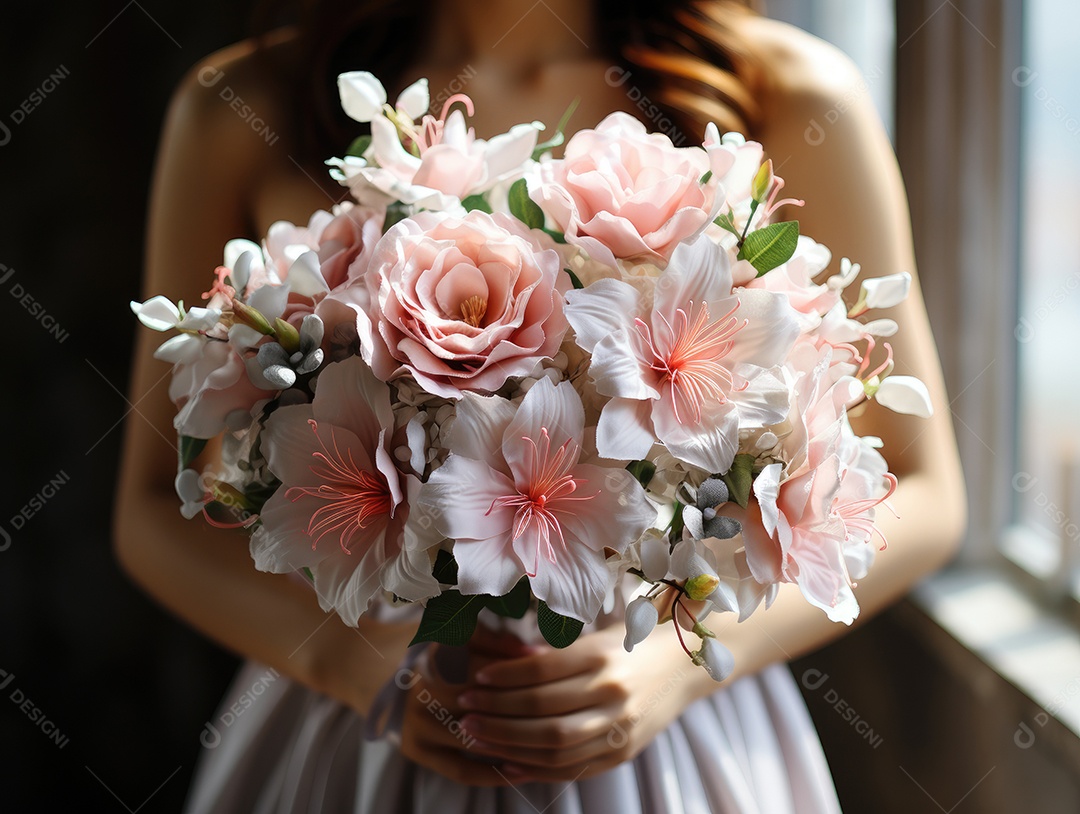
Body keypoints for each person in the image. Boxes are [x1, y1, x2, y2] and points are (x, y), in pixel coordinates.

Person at [114, 0, 967, 810]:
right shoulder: (239, 106)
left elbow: (926, 493)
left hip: (663, 715)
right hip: (362, 719)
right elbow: (154, 503)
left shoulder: (792, 96)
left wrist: (682, 659)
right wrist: (352, 660)